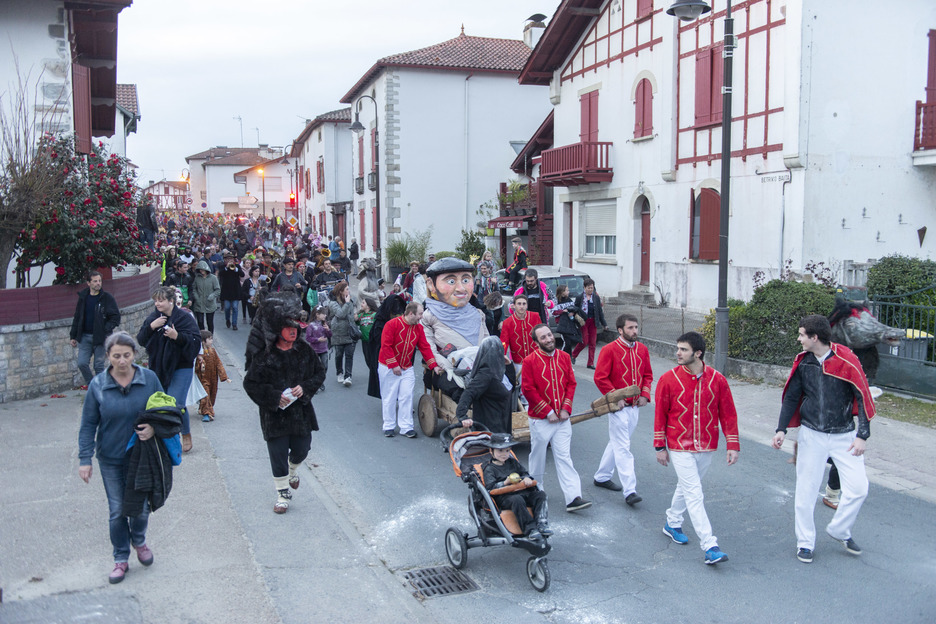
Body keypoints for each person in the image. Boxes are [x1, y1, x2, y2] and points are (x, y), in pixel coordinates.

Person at [771, 315, 874, 564]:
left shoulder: (847, 359)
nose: (798, 339)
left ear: (814, 337)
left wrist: (862, 435)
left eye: (801, 334)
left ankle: (840, 529)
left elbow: (862, 395)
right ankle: (805, 542)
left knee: (859, 488)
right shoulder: (803, 363)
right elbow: (792, 397)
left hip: (845, 436)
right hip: (811, 435)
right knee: (805, 491)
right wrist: (781, 428)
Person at [78, 331, 166, 584]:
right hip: (110, 458)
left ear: (134, 355)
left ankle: (139, 540)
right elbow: (88, 425)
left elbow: (166, 411)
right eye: (116, 356)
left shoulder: (149, 379)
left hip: (142, 456)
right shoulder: (98, 386)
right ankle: (120, 558)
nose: (122, 361)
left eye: (126, 355)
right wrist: (85, 459)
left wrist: (154, 428)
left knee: (139, 508)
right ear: (107, 356)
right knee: (117, 510)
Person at [654, 331, 739, 565]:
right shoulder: (668, 379)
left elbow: (728, 413)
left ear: (698, 353)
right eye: (678, 348)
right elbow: (660, 413)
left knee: (687, 486)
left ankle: (672, 522)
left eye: (683, 349)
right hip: (678, 445)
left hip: (707, 445)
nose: (678, 353)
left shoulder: (718, 380)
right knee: (694, 493)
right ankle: (710, 545)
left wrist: (732, 444)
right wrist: (659, 446)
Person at [243, 291, 326, 513]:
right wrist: (273, 397)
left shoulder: (304, 350)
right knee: (277, 454)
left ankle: (293, 470)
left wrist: (305, 387)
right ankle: (282, 494)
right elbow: (250, 384)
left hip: (301, 414)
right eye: (288, 328)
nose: (293, 331)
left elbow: (319, 373)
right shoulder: (263, 357)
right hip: (275, 417)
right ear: (274, 330)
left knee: (302, 448)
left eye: (295, 328)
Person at [521, 324, 591, 513]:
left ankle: (573, 497)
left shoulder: (565, 357)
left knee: (564, 456)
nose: (549, 339)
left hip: (562, 419)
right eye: (543, 338)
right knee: (538, 455)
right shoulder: (529, 361)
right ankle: (536, 488)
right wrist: (548, 412)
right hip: (540, 419)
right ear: (536, 343)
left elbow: (571, 383)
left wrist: (565, 408)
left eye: (550, 335)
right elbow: (528, 389)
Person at [592, 314, 653, 505]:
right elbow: (600, 377)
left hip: (635, 407)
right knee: (623, 447)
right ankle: (630, 491)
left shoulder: (642, 349)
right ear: (620, 330)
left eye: (636, 327)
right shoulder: (609, 350)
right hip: (618, 408)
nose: (635, 331)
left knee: (618, 443)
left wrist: (645, 394)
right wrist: (615, 398)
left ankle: (601, 477)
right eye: (630, 328)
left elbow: (648, 374)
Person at [137, 286, 202, 453]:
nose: (157, 304)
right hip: (159, 367)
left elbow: (194, 341)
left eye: (161, 300)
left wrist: (177, 337)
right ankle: (168, 438)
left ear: (171, 301)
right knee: (162, 403)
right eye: (156, 300)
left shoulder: (184, 318)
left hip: (181, 366)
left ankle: (185, 433)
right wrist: (152, 327)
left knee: (177, 403)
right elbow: (141, 339)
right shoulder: (154, 318)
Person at [420, 258, 488, 401]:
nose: (461, 289)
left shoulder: (477, 314)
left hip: (480, 367)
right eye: (451, 281)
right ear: (431, 284)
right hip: (448, 369)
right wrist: (450, 368)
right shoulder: (428, 317)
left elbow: (487, 343)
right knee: (461, 390)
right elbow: (429, 349)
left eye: (465, 280)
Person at [378, 301, 441, 438]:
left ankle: (406, 426)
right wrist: (393, 365)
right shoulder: (392, 324)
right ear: (411, 313)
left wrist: (433, 366)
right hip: (388, 367)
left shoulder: (418, 328)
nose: (421, 317)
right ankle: (388, 425)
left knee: (406, 396)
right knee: (389, 396)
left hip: (406, 367)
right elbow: (386, 346)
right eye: (419, 314)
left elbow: (425, 347)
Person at [482, 433, 551, 540]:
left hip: (522, 492)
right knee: (517, 499)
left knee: (540, 495)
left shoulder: (512, 462)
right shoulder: (489, 469)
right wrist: (505, 482)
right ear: (491, 451)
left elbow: (524, 473)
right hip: (505, 497)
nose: (504, 454)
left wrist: (527, 478)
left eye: (507, 450)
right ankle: (530, 529)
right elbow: (490, 488)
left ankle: (541, 523)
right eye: (500, 451)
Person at [70, 270, 121, 386]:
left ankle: (101, 391)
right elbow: (77, 317)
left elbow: (115, 317)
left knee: (98, 366)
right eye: (95, 281)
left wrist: (105, 329)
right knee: (82, 363)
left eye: (99, 281)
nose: (98, 283)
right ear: (88, 283)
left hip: (101, 337)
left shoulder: (106, 298)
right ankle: (93, 385)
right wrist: (73, 336)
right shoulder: (83, 297)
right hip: (84, 336)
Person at [455, 336, 514, 434]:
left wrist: (509, 366)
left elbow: (510, 386)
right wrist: (462, 416)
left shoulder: (498, 370)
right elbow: (469, 392)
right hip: (491, 430)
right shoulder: (486, 374)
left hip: (502, 426)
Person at [500, 294, 540, 402]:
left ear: (527, 305)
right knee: (524, 389)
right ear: (514, 306)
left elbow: (541, 335)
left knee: (539, 385)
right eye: (519, 304)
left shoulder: (535, 316)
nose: (521, 306)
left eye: (524, 304)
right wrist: (503, 357)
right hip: (519, 362)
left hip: (536, 359)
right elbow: (504, 342)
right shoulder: (508, 322)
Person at [572, 278, 609, 369]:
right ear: (584, 288)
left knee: (593, 343)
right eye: (588, 288)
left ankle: (590, 363)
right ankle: (573, 355)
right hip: (583, 322)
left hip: (593, 321)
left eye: (592, 288)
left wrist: (604, 324)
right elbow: (575, 309)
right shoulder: (580, 297)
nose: (590, 290)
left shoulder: (596, 298)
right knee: (584, 341)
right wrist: (576, 319)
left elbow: (600, 312)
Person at [195, 330, 230, 422]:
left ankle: (204, 408)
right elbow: (196, 366)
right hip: (203, 379)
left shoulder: (213, 351)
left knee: (212, 395)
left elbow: (218, 364)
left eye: (211, 339)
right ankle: (207, 413)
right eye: (209, 339)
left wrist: (224, 376)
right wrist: (200, 366)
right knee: (205, 394)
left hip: (213, 378)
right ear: (203, 341)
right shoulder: (200, 354)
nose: (211, 341)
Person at [327, 281, 356, 387]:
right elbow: (340, 314)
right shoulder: (333, 303)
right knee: (339, 354)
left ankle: (348, 376)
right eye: (347, 289)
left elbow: (351, 315)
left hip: (349, 332)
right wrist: (347, 304)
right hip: (338, 332)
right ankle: (339, 372)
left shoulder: (350, 301)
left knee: (349, 355)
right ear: (341, 291)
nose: (349, 291)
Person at [305, 306, 332, 392]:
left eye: (325, 314)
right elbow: (308, 338)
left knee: (324, 366)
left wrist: (328, 330)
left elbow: (330, 335)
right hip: (314, 350)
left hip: (324, 349)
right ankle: (315, 384)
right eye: (323, 314)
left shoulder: (324, 324)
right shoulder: (311, 325)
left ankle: (320, 381)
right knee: (314, 368)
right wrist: (317, 340)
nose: (325, 315)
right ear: (317, 314)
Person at [190, 259, 221, 333]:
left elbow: (217, 290)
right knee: (200, 322)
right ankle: (202, 337)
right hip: (199, 303)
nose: (201, 271)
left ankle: (210, 337)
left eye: (203, 269)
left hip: (209, 303)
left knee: (209, 322)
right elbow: (194, 289)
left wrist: (212, 296)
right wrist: (196, 297)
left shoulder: (213, 278)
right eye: (200, 269)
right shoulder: (197, 278)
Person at [552, 285, 583, 356]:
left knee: (569, 341)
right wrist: (562, 311)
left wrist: (572, 313)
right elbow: (554, 313)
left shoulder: (569, 300)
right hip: (561, 324)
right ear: (562, 292)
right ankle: (560, 356)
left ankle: (568, 356)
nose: (568, 292)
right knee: (566, 342)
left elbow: (574, 308)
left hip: (569, 323)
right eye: (567, 290)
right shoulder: (556, 301)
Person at [218, 251, 245, 330]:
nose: (230, 260)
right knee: (227, 307)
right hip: (226, 290)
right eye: (228, 259)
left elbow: (242, 274)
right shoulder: (223, 266)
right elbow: (221, 274)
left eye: (231, 259)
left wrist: (236, 269)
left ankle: (234, 324)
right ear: (225, 260)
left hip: (235, 290)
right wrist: (227, 268)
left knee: (235, 307)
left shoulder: (237, 266)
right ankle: (227, 319)